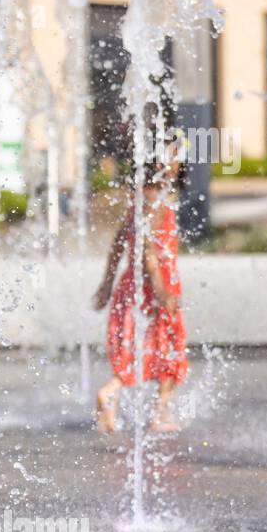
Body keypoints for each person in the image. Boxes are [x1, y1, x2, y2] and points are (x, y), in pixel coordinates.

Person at [93, 160, 188, 434]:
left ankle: (111, 393)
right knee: (170, 349)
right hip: (155, 290)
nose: (177, 166)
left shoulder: (137, 208)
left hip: (131, 287)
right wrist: (161, 292)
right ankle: (161, 414)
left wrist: (107, 285)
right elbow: (149, 255)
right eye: (172, 164)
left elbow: (116, 248)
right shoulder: (157, 208)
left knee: (136, 349)